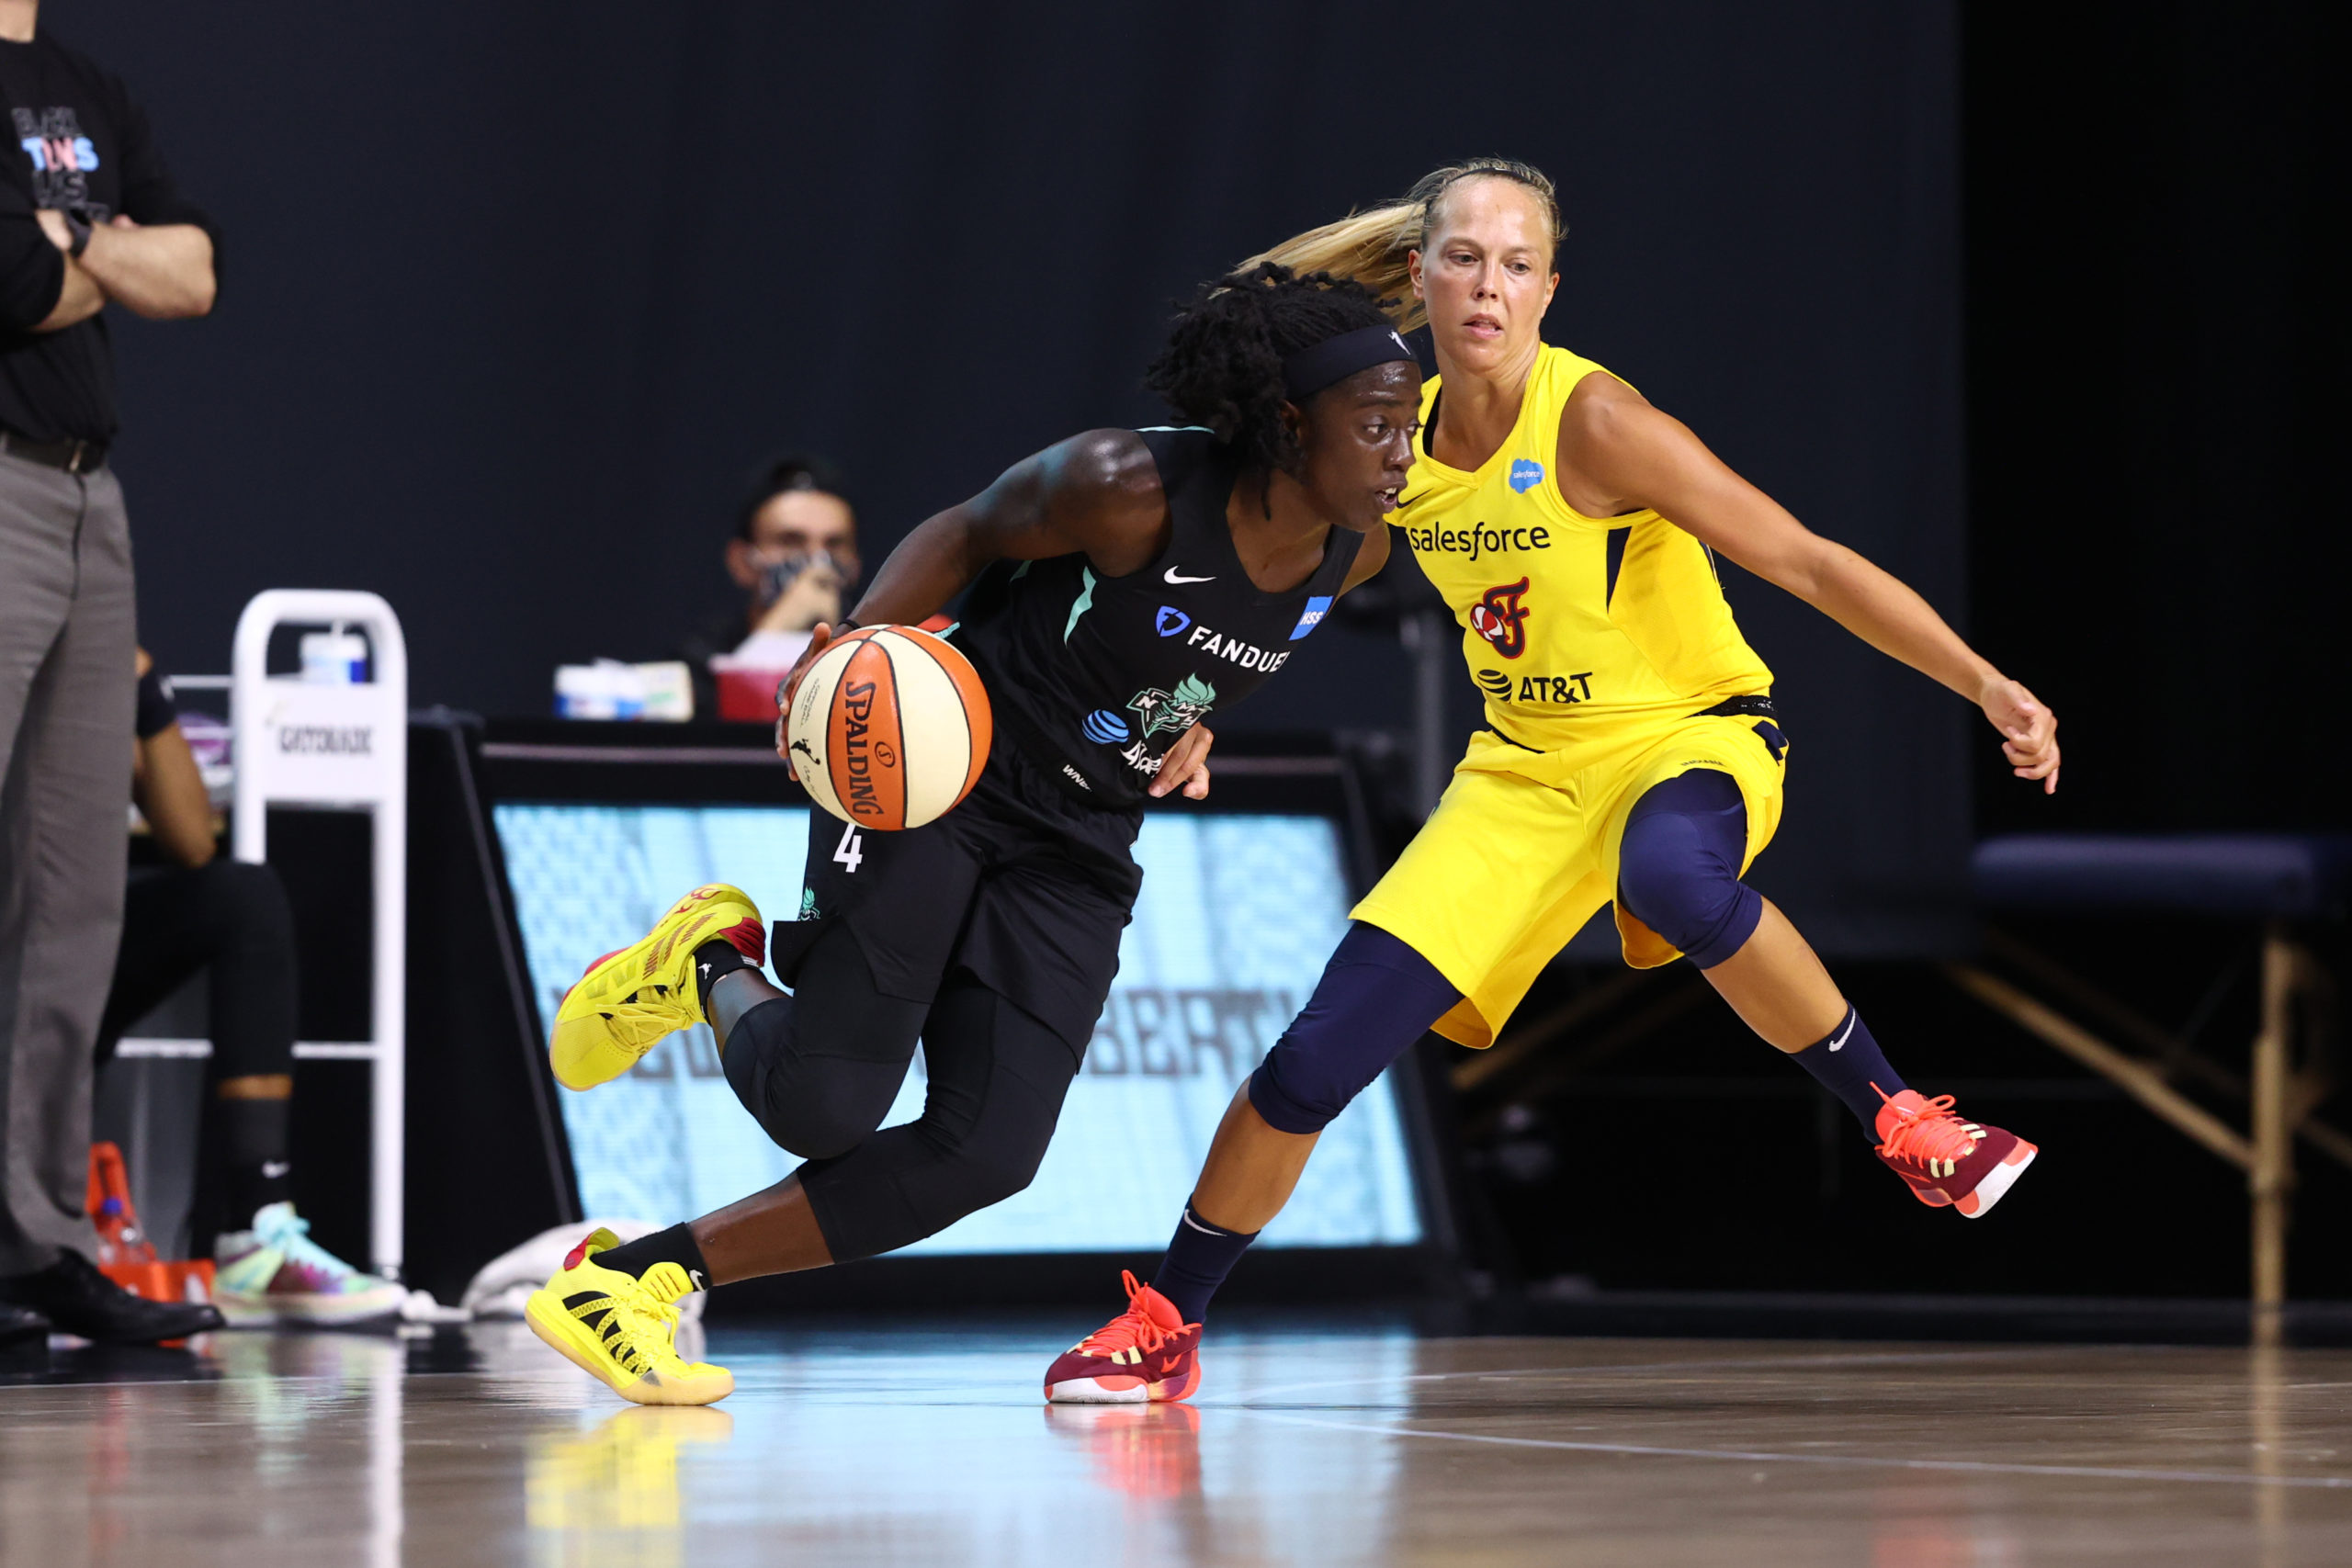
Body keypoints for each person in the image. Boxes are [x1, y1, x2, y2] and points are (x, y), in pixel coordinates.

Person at [1041, 157, 2062, 1404]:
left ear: (1548, 290)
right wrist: (1202, 699)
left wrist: (1982, 681)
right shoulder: (1396, 437)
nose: (1488, 283)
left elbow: (1805, 559)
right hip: (1522, 775)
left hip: (1689, 737)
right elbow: (1307, 588)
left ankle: (1906, 1118)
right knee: (1312, 1061)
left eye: (1516, 263)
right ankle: (1164, 1319)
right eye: (1464, 256)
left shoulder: (1596, 423)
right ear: (1417, 276)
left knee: (1674, 876)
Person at [521, 265, 1420, 1405]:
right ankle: (703, 961)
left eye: (1411, 426)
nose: (1404, 455)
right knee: (824, 1104)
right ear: (1289, 425)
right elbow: (961, 533)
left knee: (985, 1156)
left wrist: (1187, 724)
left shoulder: (1362, 549)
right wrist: (847, 650)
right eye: (1380, 427)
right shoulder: (1124, 483)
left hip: (1083, 836)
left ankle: (627, 1285)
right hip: (945, 776)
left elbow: (1207, 648)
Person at [0, 0, 222, 1344]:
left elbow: (195, 273)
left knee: (73, 888)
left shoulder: (89, 85)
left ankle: (32, 1239)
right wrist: (105, 250)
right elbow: (9, 287)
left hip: (91, 492)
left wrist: (69, 237)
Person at [95, 656, 407, 1325]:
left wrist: (145, 689)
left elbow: (191, 839)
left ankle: (255, 1229)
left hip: (70, 953)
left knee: (242, 897)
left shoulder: (92, 645)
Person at [679, 455, 862, 718]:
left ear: (855, 564)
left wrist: (838, 646)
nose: (818, 565)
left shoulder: (884, 651)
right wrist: (775, 632)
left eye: (834, 544)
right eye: (791, 541)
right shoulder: (700, 661)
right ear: (741, 562)